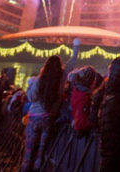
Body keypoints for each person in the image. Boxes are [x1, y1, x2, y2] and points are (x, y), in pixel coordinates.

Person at [21, 38, 80, 172]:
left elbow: (31, 98)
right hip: (49, 119)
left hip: (34, 117)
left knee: (29, 151)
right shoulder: (61, 77)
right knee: (42, 152)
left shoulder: (38, 80)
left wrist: (30, 85)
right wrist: (76, 45)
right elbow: (73, 61)